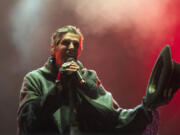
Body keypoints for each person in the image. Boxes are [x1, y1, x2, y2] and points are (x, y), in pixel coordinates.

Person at [17, 25, 172, 135]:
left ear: (80, 51)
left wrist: (147, 109)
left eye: (76, 44)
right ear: (53, 48)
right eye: (65, 42)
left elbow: (114, 119)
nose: (71, 47)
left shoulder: (89, 78)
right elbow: (28, 123)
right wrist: (59, 88)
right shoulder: (35, 79)